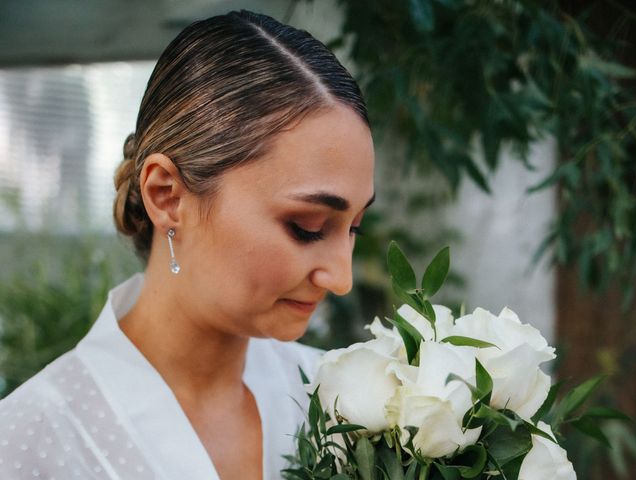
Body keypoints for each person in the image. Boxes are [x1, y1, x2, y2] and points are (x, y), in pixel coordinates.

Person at [0, 9, 375, 480]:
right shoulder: (28, 443)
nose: (340, 278)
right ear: (167, 197)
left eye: (354, 228)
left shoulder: (348, 403)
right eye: (306, 225)